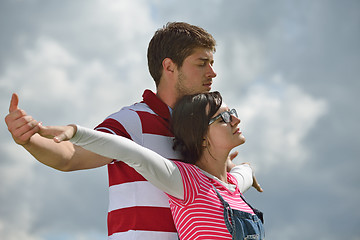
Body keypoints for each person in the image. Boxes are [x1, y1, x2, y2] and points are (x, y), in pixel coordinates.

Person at [5, 22, 262, 239]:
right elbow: (70, 155)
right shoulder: (133, 120)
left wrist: (231, 170)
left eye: (212, 63)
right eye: (202, 63)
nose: (212, 72)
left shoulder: (204, 130)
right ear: (169, 66)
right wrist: (30, 140)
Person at [37, 91, 265, 240]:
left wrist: (244, 169)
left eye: (232, 113)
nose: (236, 120)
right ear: (202, 137)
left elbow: (245, 170)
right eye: (224, 118)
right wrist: (76, 133)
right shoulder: (186, 183)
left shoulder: (234, 185)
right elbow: (127, 151)